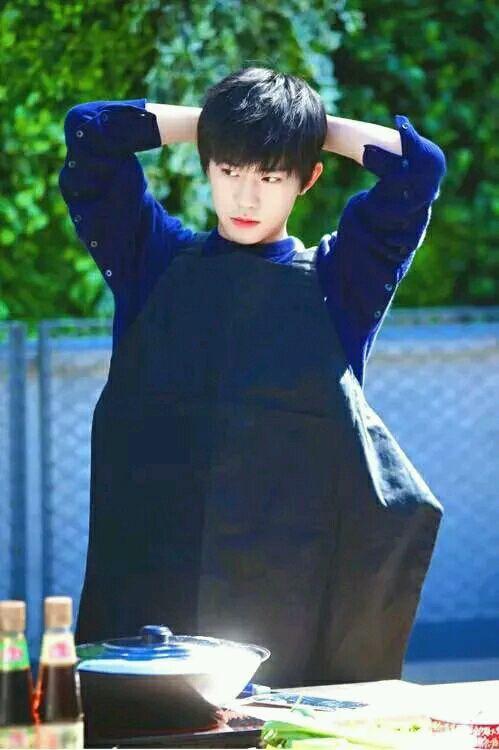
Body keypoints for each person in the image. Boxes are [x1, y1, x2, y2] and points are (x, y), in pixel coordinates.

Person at [59, 66, 446, 687]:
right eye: (229, 170)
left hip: (290, 603)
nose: (245, 197)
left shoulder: (342, 283)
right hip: (148, 591)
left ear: (307, 178)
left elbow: (419, 168)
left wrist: (303, 128)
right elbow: (90, 131)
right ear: (206, 167)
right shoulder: (147, 261)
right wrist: (225, 124)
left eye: (270, 176)